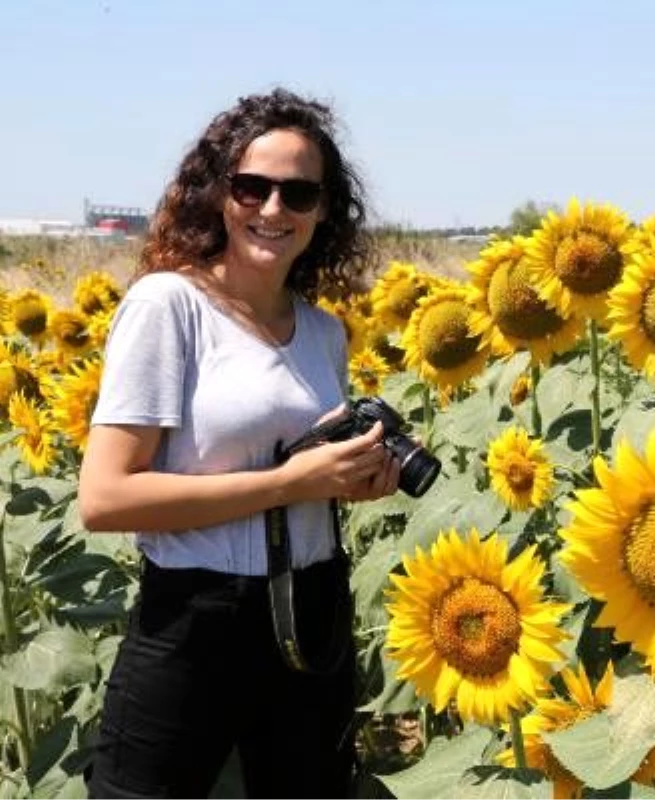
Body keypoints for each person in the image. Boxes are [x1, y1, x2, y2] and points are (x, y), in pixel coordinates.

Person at [80, 88, 399, 799]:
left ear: (324, 209)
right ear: (217, 196)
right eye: (251, 187)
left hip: (311, 610)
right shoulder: (171, 306)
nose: (273, 209)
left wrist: (353, 478)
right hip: (198, 620)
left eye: (299, 192)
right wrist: (292, 484)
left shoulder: (323, 332)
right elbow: (104, 499)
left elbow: (309, 476)